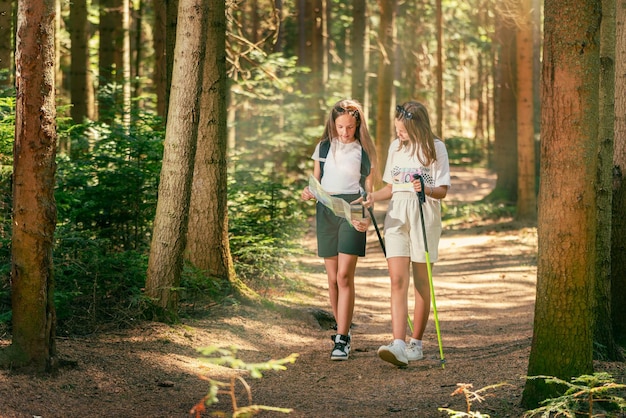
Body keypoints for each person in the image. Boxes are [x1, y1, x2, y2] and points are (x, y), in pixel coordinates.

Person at [364, 101, 450, 367]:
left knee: (421, 282)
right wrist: (371, 197)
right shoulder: (395, 147)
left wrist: (425, 187)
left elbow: (443, 190)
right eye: (397, 130)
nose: (399, 134)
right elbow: (391, 187)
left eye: (402, 130)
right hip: (396, 215)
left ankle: (416, 344)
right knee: (397, 280)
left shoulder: (435, 148)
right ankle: (398, 343)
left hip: (424, 214)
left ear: (416, 126)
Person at [301, 99, 378, 361]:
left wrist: (367, 210)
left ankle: (343, 339)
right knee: (332, 278)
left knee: (345, 276)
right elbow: (316, 182)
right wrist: (308, 192)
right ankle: (339, 332)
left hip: (352, 210)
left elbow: (369, 191)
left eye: (350, 128)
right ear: (332, 124)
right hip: (326, 209)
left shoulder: (364, 151)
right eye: (340, 127)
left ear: (358, 125)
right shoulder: (323, 147)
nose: (345, 133)